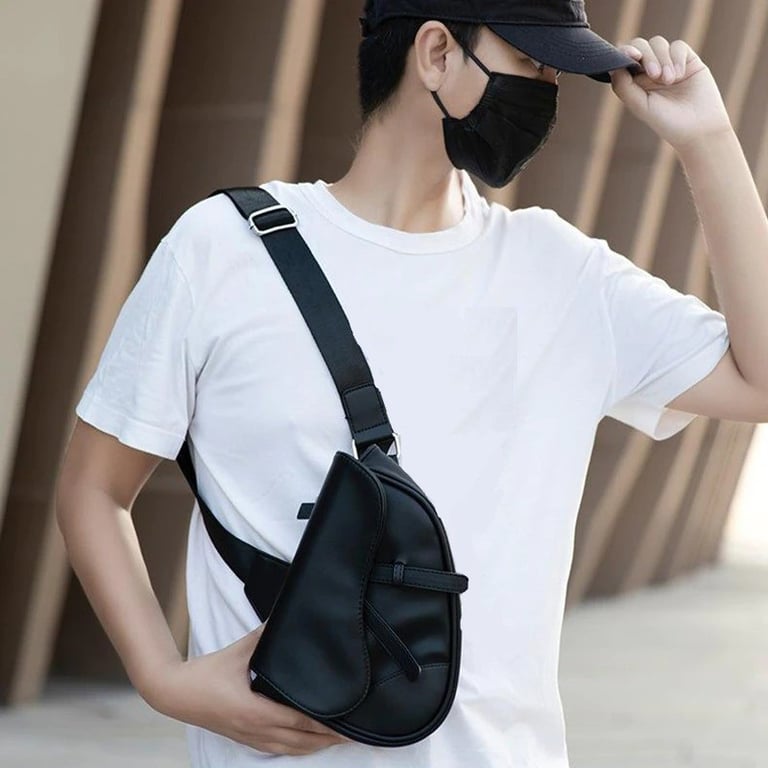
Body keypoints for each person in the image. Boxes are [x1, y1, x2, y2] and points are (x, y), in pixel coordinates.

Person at [55, 1, 768, 766]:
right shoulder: (223, 250)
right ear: (436, 53)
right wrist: (163, 679)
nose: (547, 90)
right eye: (531, 61)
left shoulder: (564, 276)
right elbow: (93, 488)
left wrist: (707, 141)